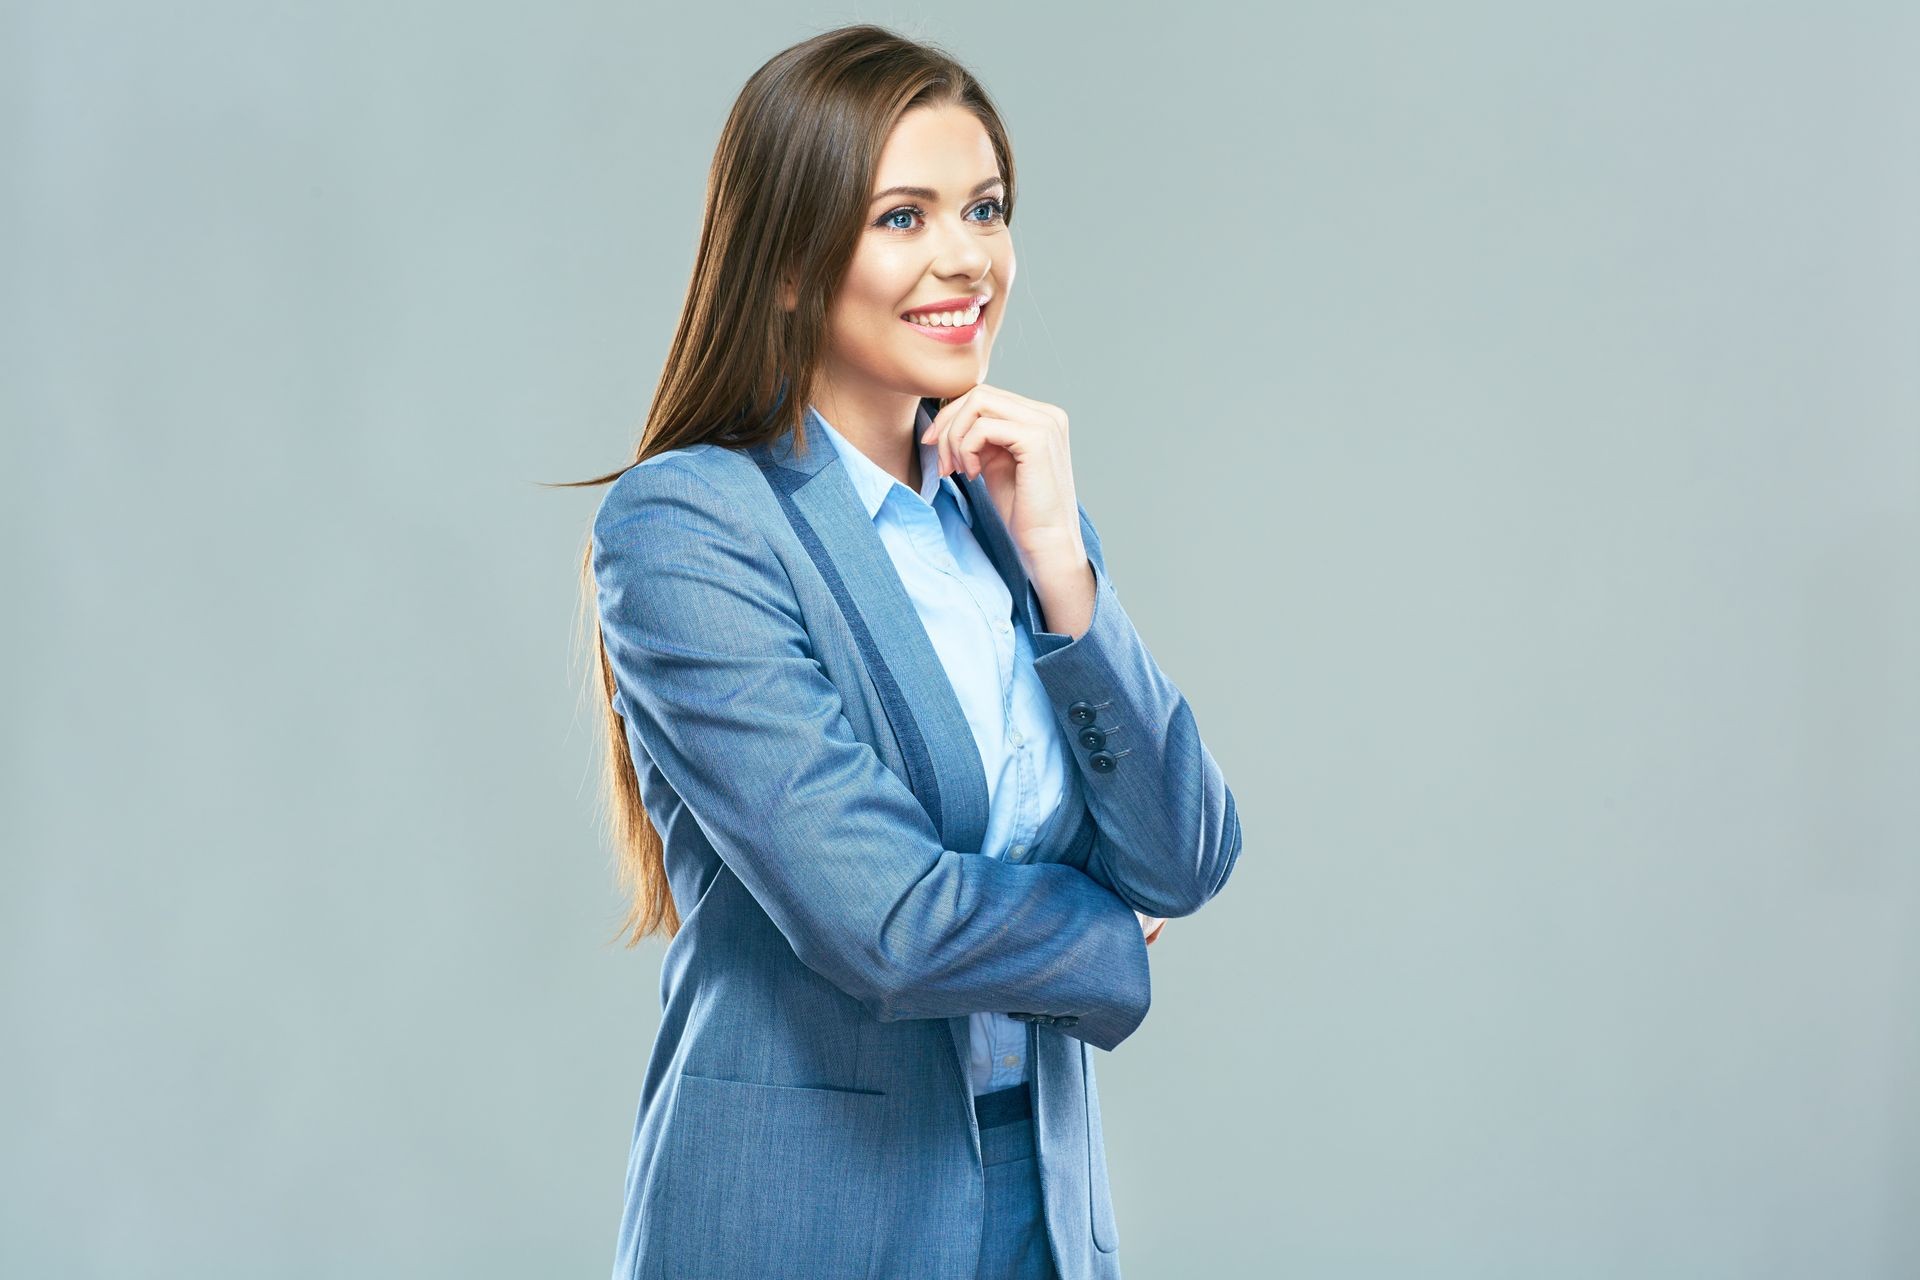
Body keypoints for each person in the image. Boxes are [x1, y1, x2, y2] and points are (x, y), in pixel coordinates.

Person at [567, 24, 1241, 1280]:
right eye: (901, 217)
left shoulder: (1006, 514)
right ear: (783, 263)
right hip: (805, 1215)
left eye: (984, 208)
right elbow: (876, 913)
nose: (965, 257)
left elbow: (1186, 851)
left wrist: (1061, 568)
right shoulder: (688, 526)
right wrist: (1105, 930)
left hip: (1038, 1201)